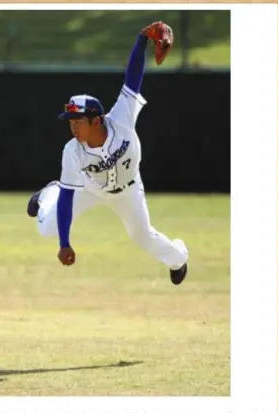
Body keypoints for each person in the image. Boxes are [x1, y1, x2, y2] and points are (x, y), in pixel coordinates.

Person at [27, 21, 188, 285]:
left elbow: (133, 77)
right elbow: (68, 196)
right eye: (70, 121)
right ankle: (47, 194)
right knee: (47, 229)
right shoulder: (72, 150)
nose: (73, 126)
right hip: (89, 188)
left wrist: (142, 38)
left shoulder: (121, 118)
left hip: (128, 190)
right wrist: (64, 243)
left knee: (142, 236)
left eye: (78, 120)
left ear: (96, 120)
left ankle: (178, 259)